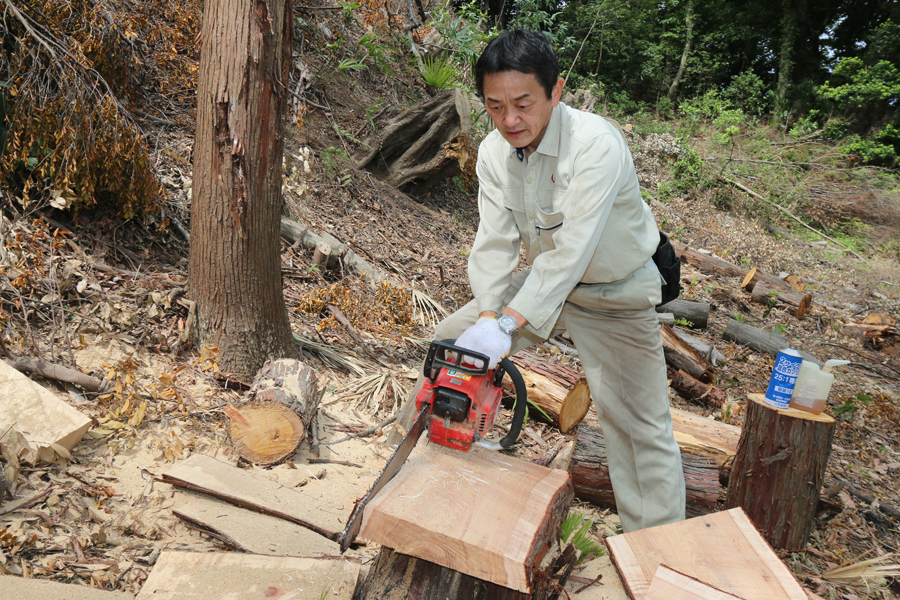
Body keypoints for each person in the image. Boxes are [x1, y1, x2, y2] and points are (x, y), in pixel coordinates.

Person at [399, 29, 685, 532]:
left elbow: (574, 251)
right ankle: (419, 479)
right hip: (539, 286)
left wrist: (508, 321)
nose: (510, 119)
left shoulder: (595, 144)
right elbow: (493, 243)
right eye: (495, 105)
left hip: (614, 291)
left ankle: (657, 551)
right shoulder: (493, 151)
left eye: (524, 103)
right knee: (450, 345)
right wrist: (488, 316)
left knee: (640, 428)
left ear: (557, 91)